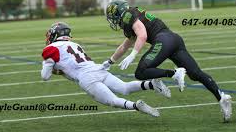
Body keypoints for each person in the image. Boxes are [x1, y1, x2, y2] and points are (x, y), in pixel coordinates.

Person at [101, 0, 232, 121]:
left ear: (118, 12)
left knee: (141, 72)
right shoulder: (133, 14)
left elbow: (142, 35)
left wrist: (133, 54)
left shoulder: (127, 15)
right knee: (195, 73)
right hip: (174, 39)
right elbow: (124, 46)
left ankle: (175, 73)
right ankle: (221, 97)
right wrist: (110, 61)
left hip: (163, 40)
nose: (112, 20)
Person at [41, 22, 172, 117]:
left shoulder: (50, 49)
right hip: (98, 69)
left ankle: (136, 105)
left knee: (113, 101)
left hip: (87, 78)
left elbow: (45, 76)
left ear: (54, 34)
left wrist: (51, 67)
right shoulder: (75, 44)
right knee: (124, 87)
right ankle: (151, 84)